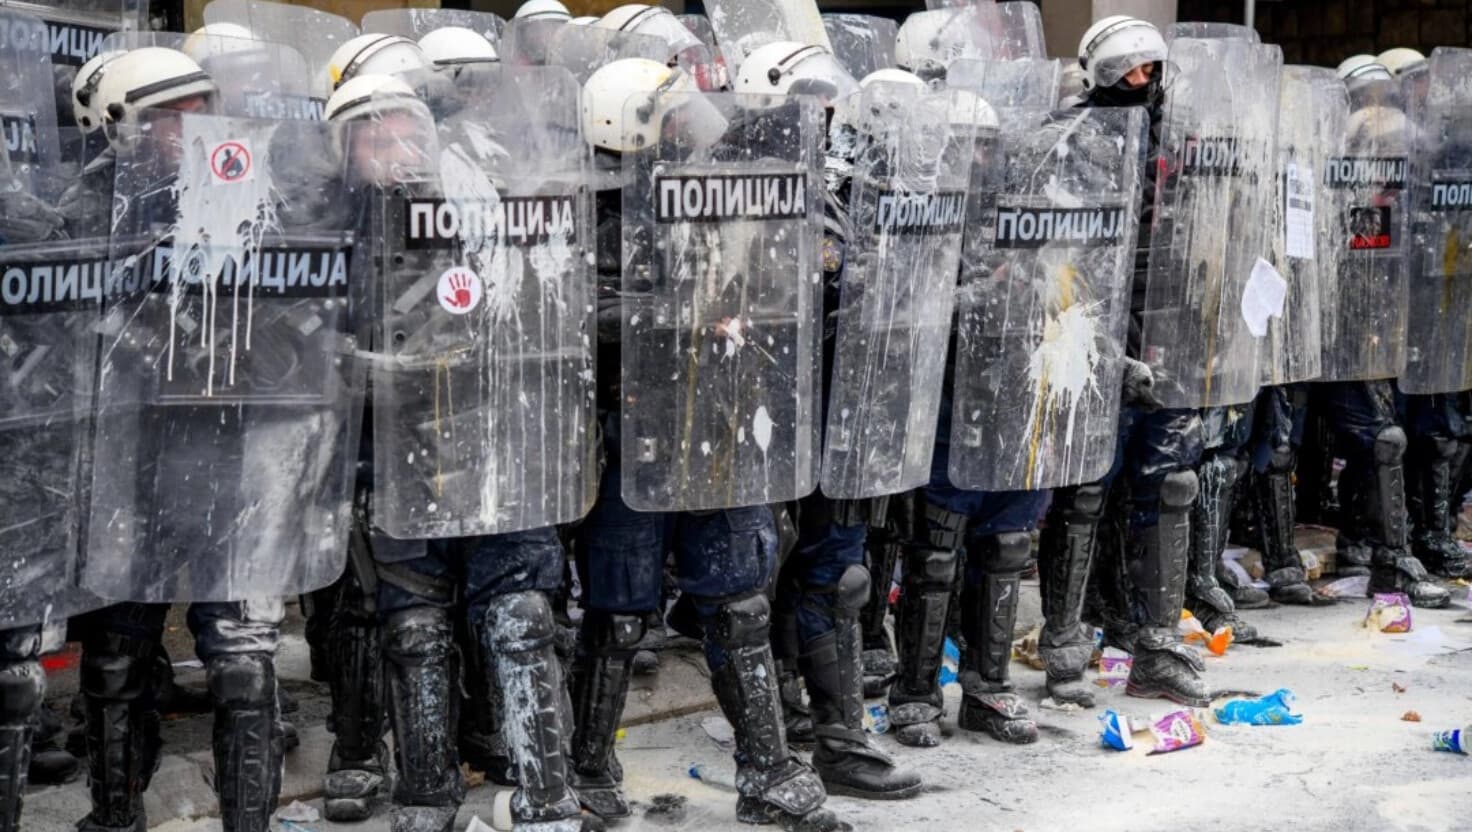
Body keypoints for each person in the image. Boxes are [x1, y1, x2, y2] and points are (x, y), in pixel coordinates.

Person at [569, 55, 847, 832]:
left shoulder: (719, 192)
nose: (692, 124)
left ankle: (767, 770)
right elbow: (573, 319)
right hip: (631, 437)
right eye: (672, 113)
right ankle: (587, 767)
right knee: (618, 614)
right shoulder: (590, 210)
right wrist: (671, 314)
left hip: (716, 426)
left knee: (740, 606)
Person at [327, 70, 600, 832]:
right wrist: (360, 367)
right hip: (395, 453)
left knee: (520, 618)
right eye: (377, 136)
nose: (398, 149)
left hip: (495, 444)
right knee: (413, 629)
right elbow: (302, 338)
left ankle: (548, 798)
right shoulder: (327, 226)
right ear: (344, 149)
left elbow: (550, 304)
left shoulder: (482, 210)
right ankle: (426, 795)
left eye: (410, 131)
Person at [1043, 16, 1210, 707]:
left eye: (1153, 70)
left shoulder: (1177, 136)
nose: (1146, 82)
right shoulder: (1069, 141)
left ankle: (1156, 646)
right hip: (1090, 328)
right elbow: (1057, 256)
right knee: (1084, 488)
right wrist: (1105, 353)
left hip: (1168, 322)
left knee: (1170, 484)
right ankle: (1063, 641)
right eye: (1131, 71)